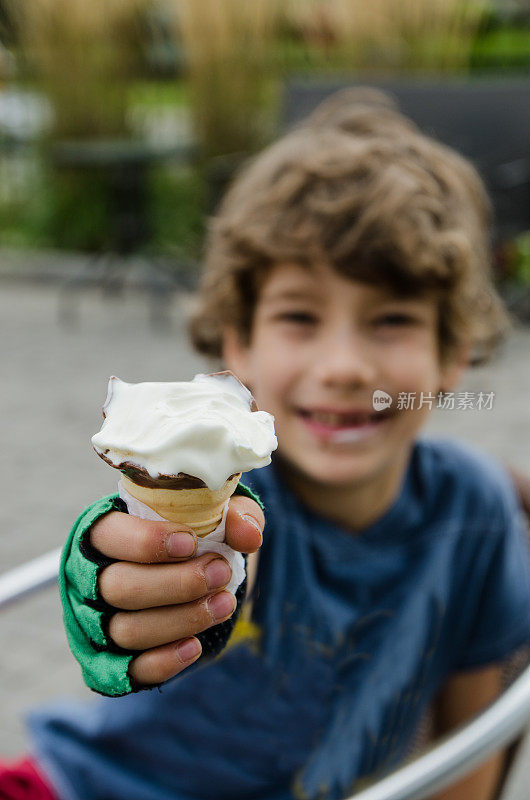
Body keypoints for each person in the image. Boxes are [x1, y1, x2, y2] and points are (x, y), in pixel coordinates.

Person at [2, 88, 530, 800]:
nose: (344, 366)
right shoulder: (247, 496)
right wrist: (113, 576)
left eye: (393, 319)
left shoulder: (477, 507)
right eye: (300, 316)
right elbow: (210, 571)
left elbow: (469, 752)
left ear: (451, 356)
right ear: (238, 347)